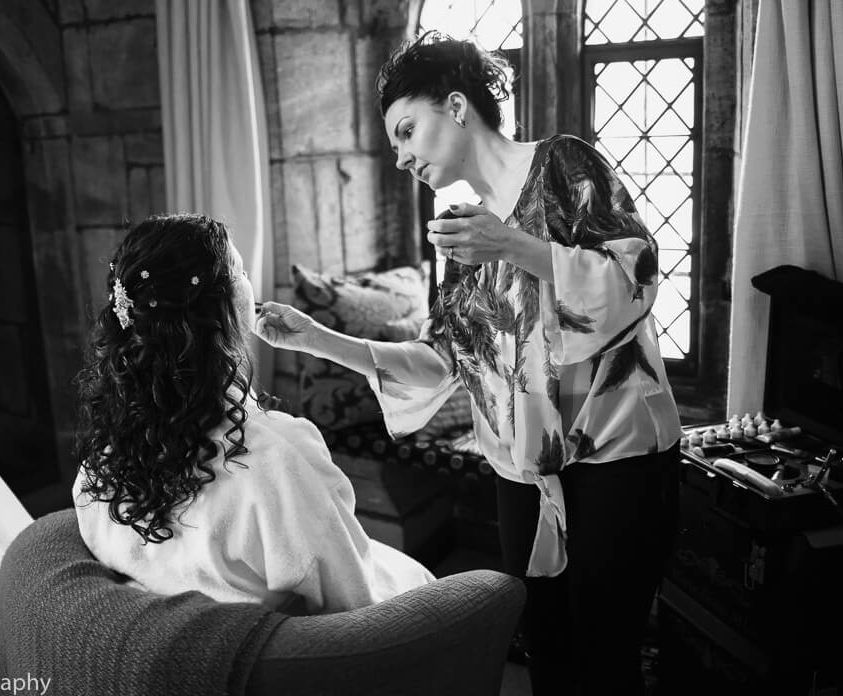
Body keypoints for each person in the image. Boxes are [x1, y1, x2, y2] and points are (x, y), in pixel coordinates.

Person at [254, 32, 682, 695]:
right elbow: (442, 359)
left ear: (455, 106)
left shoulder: (564, 165)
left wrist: (511, 243)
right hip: (521, 476)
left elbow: (637, 279)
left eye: (406, 131)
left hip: (616, 462)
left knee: (607, 658)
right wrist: (317, 339)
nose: (399, 156)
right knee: (549, 655)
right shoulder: (460, 230)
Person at [72, 213, 434, 616]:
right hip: (290, 652)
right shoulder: (280, 458)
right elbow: (352, 603)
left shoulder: (102, 458)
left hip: (178, 630)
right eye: (242, 271)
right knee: (421, 580)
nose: (250, 283)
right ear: (223, 308)